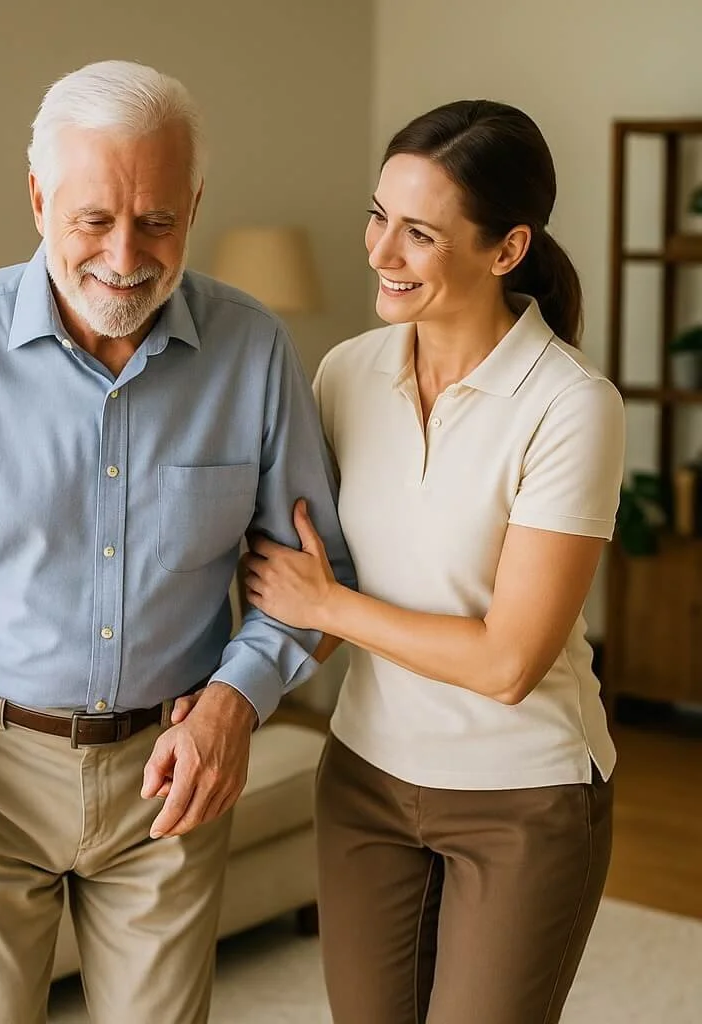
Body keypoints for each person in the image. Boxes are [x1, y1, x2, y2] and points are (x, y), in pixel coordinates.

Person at [0, 60, 352, 1024]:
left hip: (171, 768)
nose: (126, 255)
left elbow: (314, 573)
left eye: (159, 220)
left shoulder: (253, 350)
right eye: (93, 219)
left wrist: (236, 703)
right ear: (39, 196)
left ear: (195, 202)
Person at [239, 100, 625, 1024]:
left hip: (523, 798)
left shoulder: (571, 406)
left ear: (506, 249)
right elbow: (308, 578)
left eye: (419, 233)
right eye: (379, 216)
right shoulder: (343, 374)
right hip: (366, 780)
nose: (379, 252)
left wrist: (327, 607)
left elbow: (507, 662)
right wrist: (225, 699)